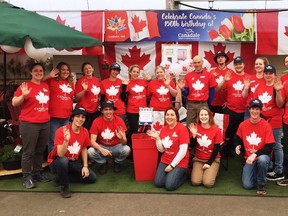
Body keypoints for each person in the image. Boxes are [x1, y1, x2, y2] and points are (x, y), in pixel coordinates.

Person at [12, 62, 51, 189]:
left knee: (40, 150)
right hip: (29, 124)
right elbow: (14, 103)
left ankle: (37, 173)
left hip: (44, 123)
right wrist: (23, 95)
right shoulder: (25, 86)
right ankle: (27, 177)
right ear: (31, 72)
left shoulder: (45, 86)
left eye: (41, 71)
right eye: (36, 71)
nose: (39, 73)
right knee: (28, 152)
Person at [48, 107, 97, 198]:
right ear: (72, 118)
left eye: (83, 117)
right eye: (77, 116)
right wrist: (66, 141)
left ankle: (62, 177)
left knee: (92, 178)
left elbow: (83, 148)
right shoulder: (61, 131)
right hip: (59, 160)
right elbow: (60, 154)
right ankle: (64, 186)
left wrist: (85, 166)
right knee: (63, 161)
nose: (80, 119)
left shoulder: (85, 131)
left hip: (74, 160)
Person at [234, 99, 274, 195]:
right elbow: (237, 139)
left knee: (263, 160)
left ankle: (261, 184)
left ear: (260, 111)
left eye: (257, 109)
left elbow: (269, 147)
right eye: (252, 109)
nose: (254, 111)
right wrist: (237, 146)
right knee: (247, 185)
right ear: (249, 109)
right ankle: (253, 172)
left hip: (261, 156)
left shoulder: (266, 125)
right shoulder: (243, 125)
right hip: (248, 159)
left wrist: (255, 154)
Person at [147, 107, 190, 191]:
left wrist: (172, 165)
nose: (169, 117)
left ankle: (185, 174)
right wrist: (158, 139)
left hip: (180, 162)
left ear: (177, 117)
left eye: (172, 115)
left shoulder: (182, 129)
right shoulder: (163, 129)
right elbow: (162, 150)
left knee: (169, 186)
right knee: (158, 183)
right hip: (165, 159)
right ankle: (172, 175)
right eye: (167, 115)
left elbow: (183, 151)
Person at [253, 65, 284, 181]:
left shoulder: (278, 86)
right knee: (265, 145)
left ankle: (279, 171)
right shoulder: (259, 87)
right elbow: (255, 105)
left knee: (276, 145)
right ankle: (269, 167)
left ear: (274, 74)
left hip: (274, 120)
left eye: (271, 73)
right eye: (266, 73)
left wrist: (278, 91)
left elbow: (280, 104)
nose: (268, 75)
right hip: (263, 120)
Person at [217, 56, 248, 156]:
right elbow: (218, 89)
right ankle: (227, 150)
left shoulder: (248, 77)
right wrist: (224, 81)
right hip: (230, 109)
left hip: (244, 111)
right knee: (228, 132)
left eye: (240, 64)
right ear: (234, 65)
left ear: (244, 64)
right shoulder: (229, 76)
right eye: (236, 64)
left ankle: (243, 150)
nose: (238, 66)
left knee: (243, 132)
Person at [88, 100, 131, 174]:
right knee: (90, 151)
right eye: (106, 109)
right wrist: (101, 149)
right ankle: (102, 163)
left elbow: (125, 142)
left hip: (116, 146)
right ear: (102, 111)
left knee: (127, 149)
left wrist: (121, 138)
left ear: (113, 111)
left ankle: (117, 162)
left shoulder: (119, 121)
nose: (108, 112)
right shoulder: (96, 121)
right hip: (102, 146)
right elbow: (92, 141)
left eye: (110, 109)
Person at [43, 62, 75, 153]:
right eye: (63, 69)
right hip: (54, 117)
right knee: (53, 141)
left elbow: (71, 97)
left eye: (67, 69)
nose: (65, 71)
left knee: (64, 140)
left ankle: (62, 161)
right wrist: (49, 76)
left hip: (66, 117)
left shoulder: (70, 83)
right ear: (58, 71)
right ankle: (53, 164)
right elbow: (39, 81)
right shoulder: (51, 80)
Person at [188, 106, 223, 188]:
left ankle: (213, 170)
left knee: (208, 183)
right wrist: (193, 135)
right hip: (198, 158)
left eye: (205, 115)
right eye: (201, 115)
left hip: (212, 159)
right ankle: (204, 171)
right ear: (198, 117)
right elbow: (192, 146)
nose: (203, 117)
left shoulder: (216, 129)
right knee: (195, 182)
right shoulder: (195, 127)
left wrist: (209, 163)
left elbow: (217, 149)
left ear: (209, 116)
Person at [178, 55, 217, 125]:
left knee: (204, 124)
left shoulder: (209, 75)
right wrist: (182, 89)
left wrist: (208, 104)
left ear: (202, 62)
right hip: (191, 104)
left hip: (203, 103)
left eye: (199, 62)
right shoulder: (188, 76)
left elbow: (212, 91)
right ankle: (191, 136)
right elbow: (186, 93)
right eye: (195, 63)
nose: (197, 64)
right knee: (190, 124)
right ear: (192, 64)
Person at [75, 62, 101, 130]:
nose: (88, 70)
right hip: (84, 111)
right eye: (85, 69)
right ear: (83, 71)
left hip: (95, 110)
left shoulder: (96, 80)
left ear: (93, 69)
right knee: (85, 130)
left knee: (94, 130)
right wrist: (84, 90)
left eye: (89, 68)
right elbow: (77, 98)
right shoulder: (81, 81)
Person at [275, 56, 288, 186]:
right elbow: (280, 104)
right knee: (287, 148)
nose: (287, 63)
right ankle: (287, 175)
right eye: (286, 61)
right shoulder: (283, 79)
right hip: (287, 118)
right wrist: (278, 92)